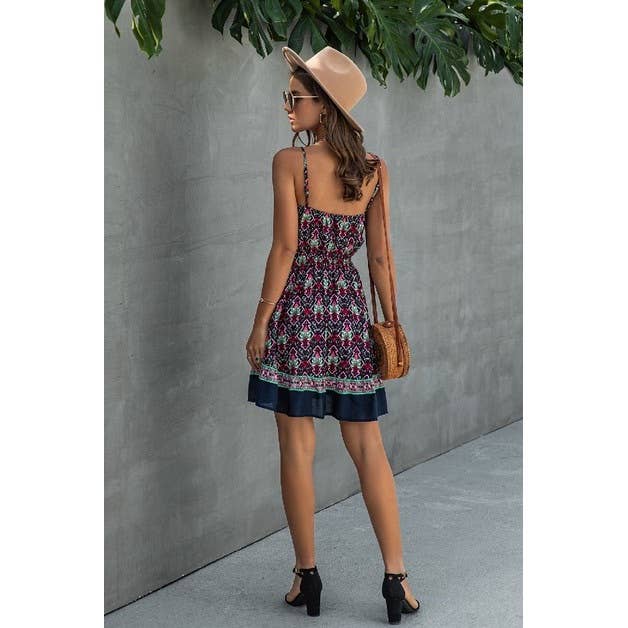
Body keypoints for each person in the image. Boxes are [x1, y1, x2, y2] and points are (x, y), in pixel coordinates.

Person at [245, 46, 420, 623]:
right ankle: (396, 580)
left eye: (295, 97)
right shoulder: (373, 169)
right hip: (346, 316)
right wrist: (391, 322)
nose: (288, 107)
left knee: (297, 449)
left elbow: (285, 249)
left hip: (299, 314)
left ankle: (307, 577)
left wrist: (261, 319)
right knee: (369, 448)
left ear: (325, 105)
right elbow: (380, 258)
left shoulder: (289, 164)